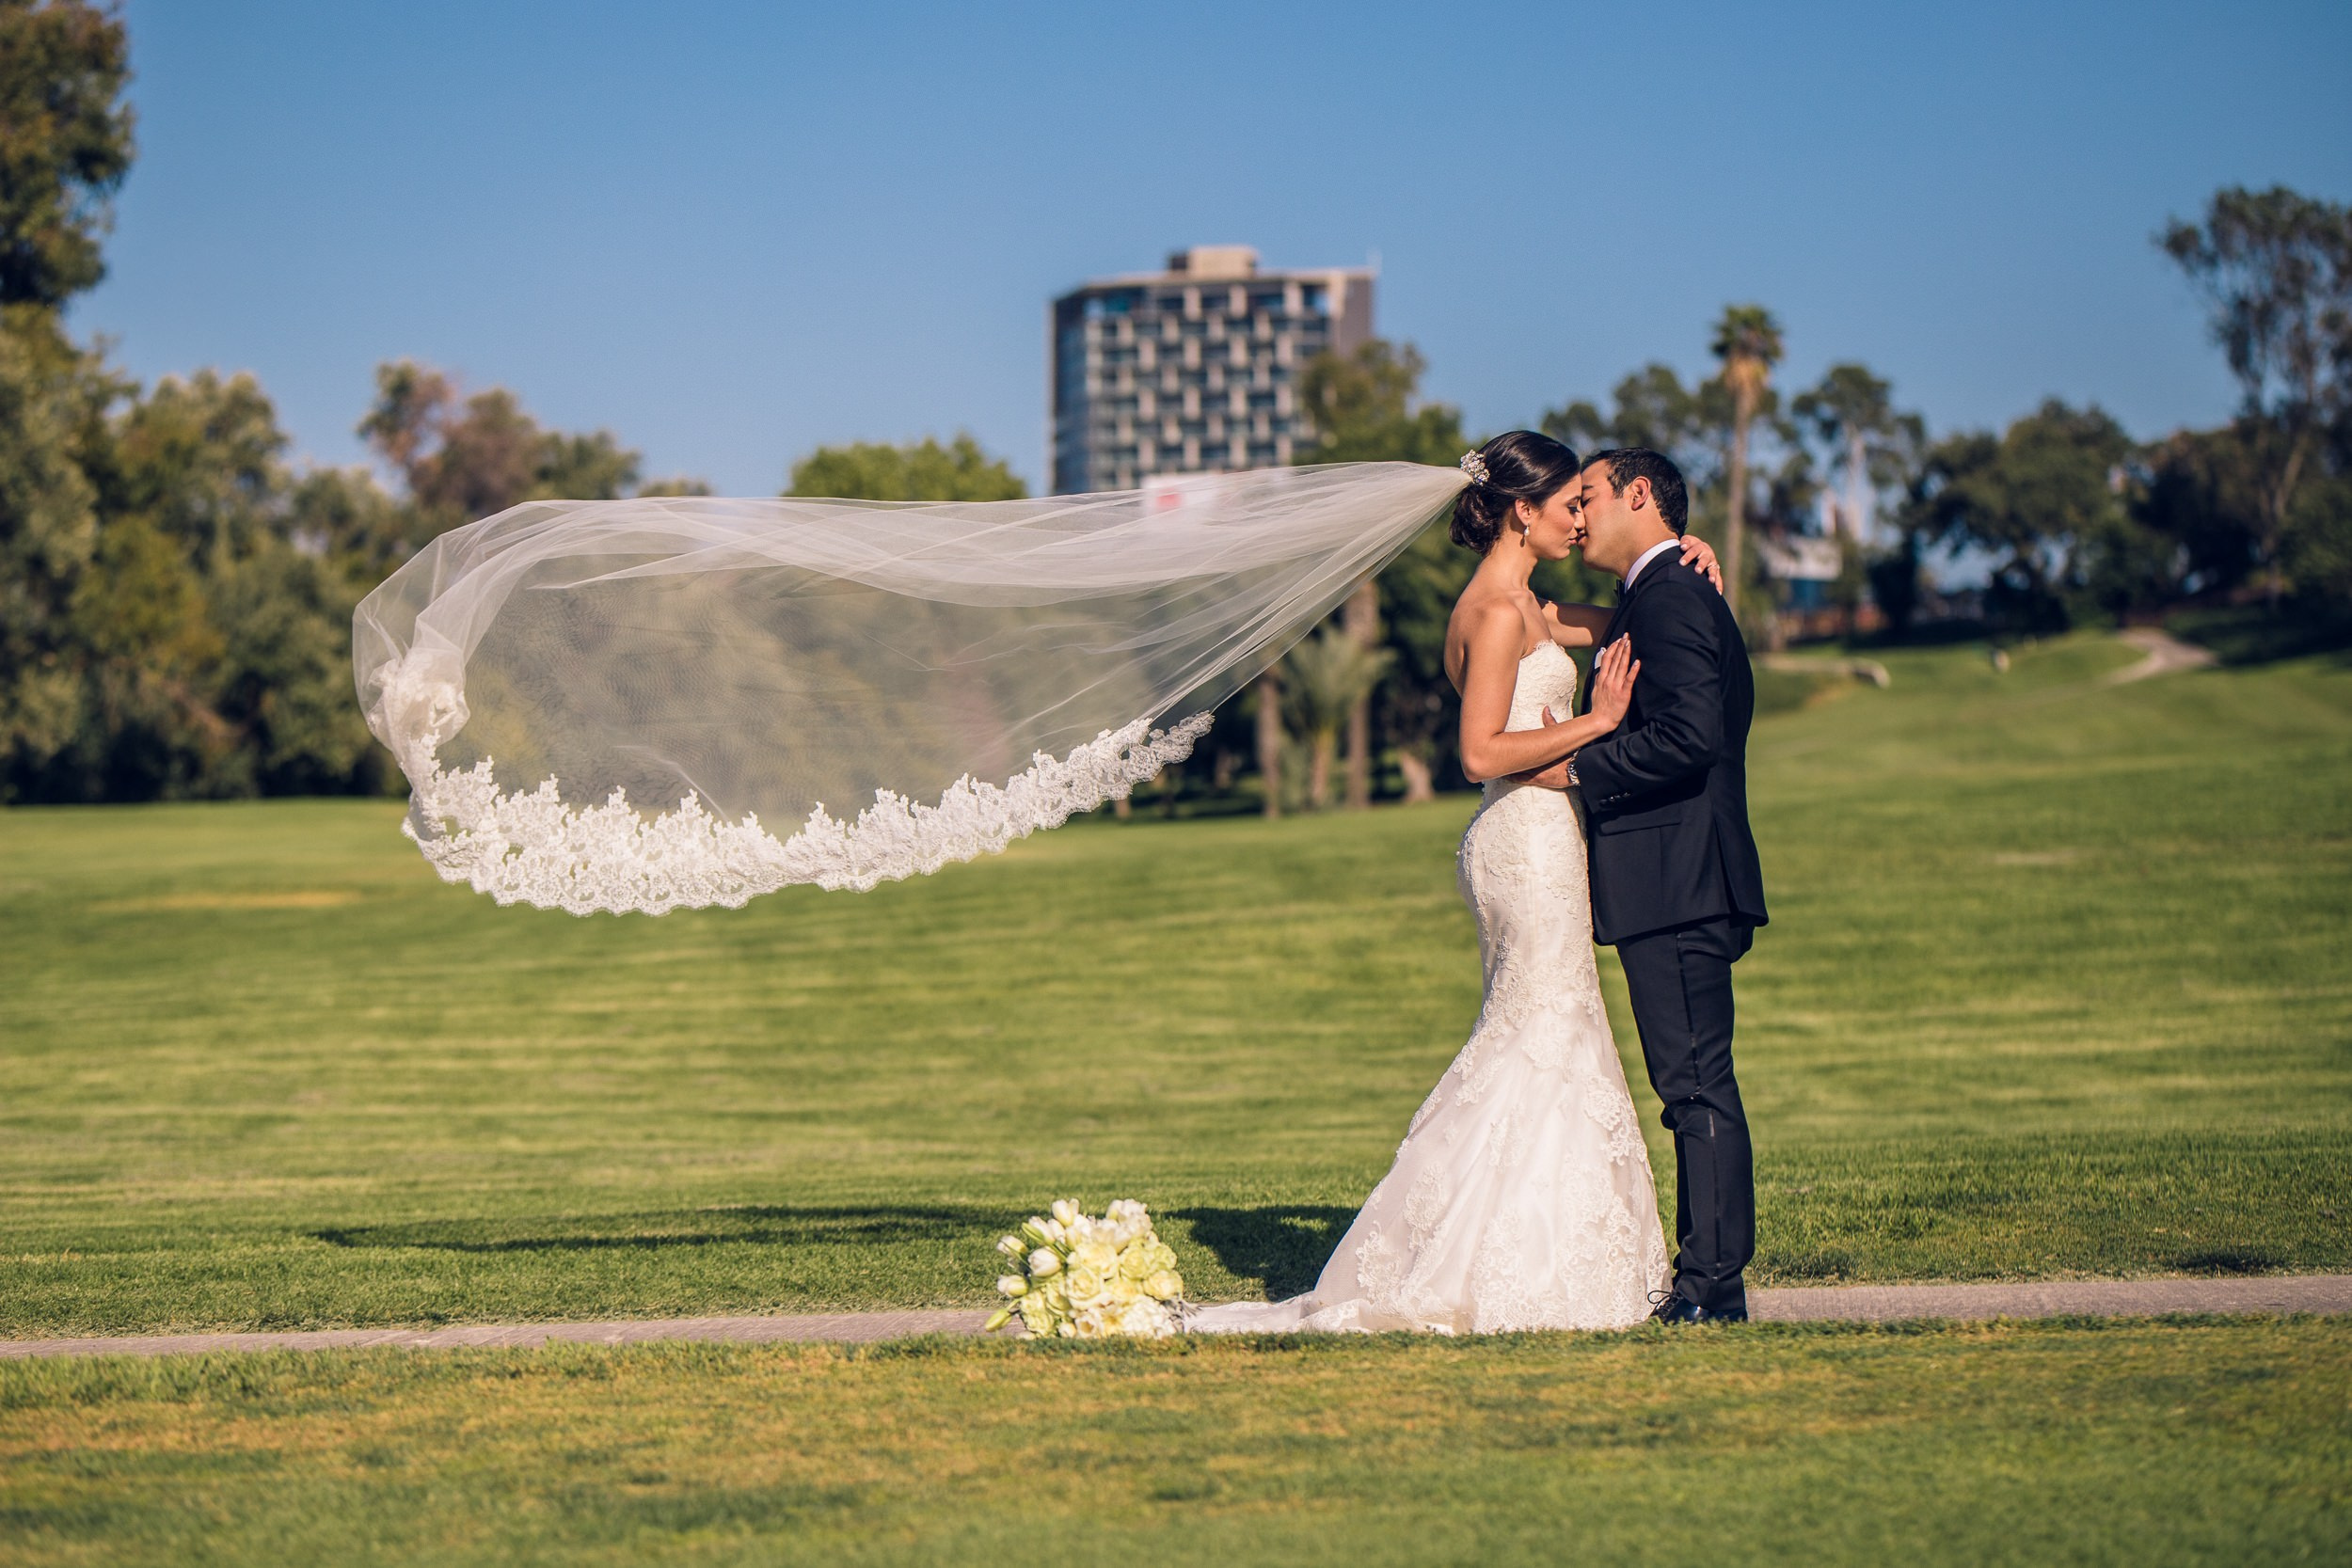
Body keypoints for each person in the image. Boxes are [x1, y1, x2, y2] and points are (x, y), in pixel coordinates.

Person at [1191, 431, 1724, 1333]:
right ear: (1525, 508)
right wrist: (1593, 724)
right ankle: (1501, 1257)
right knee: (1536, 1030)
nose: (1580, 516)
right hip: (1524, 837)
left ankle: (1538, 1246)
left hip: (1546, 837)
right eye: (1569, 504)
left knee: (1550, 1029)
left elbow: (1625, 618)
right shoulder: (1493, 611)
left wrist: (1677, 560)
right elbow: (1479, 752)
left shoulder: (1530, 604)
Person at [1565, 447, 1768, 1324]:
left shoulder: (1674, 594)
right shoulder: (1661, 593)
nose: (1578, 517)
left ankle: (1711, 1290)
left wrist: (1582, 763)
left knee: (1693, 1085)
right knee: (1688, 1083)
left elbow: (1692, 734)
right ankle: (1707, 1280)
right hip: (1673, 877)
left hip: (1679, 876)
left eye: (1588, 497)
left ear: (1637, 494)